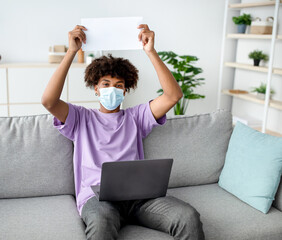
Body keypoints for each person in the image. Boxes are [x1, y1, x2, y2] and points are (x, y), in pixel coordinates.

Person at [41, 24, 205, 240]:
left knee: (187, 216)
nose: (112, 89)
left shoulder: (136, 117)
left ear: (125, 90)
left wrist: (151, 51)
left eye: (119, 85)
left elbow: (173, 96)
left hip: (140, 198)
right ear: (96, 88)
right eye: (106, 84)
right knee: (101, 224)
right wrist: (72, 51)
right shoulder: (81, 118)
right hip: (98, 199)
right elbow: (49, 101)